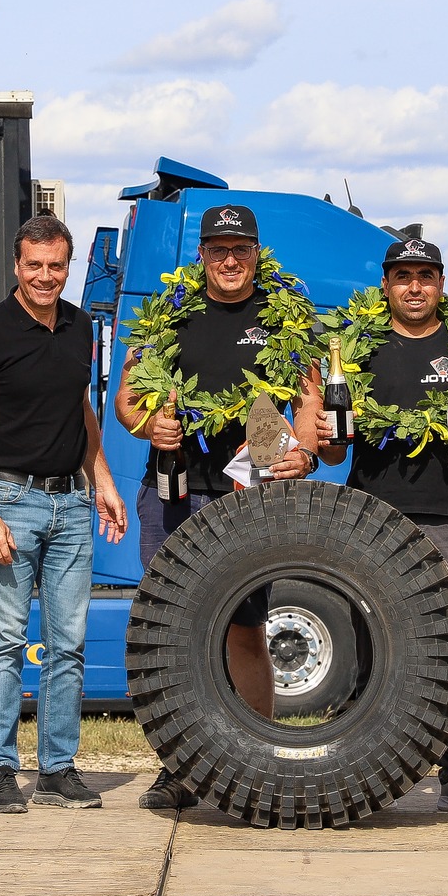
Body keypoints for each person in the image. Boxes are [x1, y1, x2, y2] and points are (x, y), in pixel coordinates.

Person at [112, 204, 325, 811]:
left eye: (241, 249)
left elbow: (310, 397)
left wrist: (305, 454)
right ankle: (180, 765)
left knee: (246, 629)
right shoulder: (169, 315)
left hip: (248, 497)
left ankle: (256, 760)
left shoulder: (284, 318)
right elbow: (128, 397)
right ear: (201, 253)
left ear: (257, 252)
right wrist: (149, 423)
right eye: (217, 248)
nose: (229, 259)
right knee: (173, 634)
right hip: (171, 493)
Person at [316, 238, 448, 816]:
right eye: (402, 276)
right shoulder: (355, 347)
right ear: (386, 284)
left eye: (425, 276)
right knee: (367, 647)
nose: (414, 287)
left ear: (441, 282)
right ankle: (362, 769)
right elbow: (331, 452)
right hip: (368, 520)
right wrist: (331, 441)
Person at [0, 215, 129, 816]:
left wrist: (100, 476)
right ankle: (0, 769)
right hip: (10, 501)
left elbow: (78, 407)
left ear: (69, 265)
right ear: (16, 266)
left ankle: (56, 769)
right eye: (34, 266)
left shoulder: (80, 328)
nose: (46, 277)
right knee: (4, 641)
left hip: (73, 504)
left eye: (57, 266)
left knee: (67, 645)